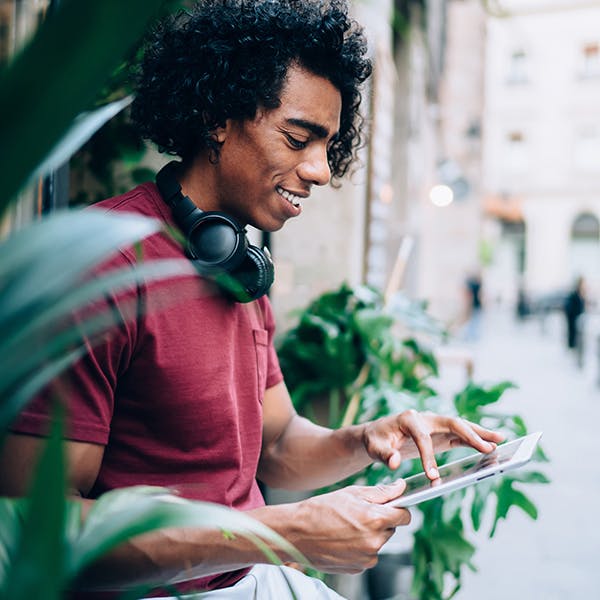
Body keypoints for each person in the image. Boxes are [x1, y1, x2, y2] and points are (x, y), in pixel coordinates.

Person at [0, 1, 505, 598]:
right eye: (298, 138)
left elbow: (279, 446)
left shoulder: (237, 266)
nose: (320, 170)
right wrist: (279, 532)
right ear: (218, 116)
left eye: (328, 146)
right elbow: (37, 530)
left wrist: (371, 438)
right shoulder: (100, 268)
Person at [564, 276, 586, 351]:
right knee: (574, 334)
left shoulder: (582, 293)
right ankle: (573, 347)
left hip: (579, 318)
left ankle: (575, 347)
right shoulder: (574, 294)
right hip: (573, 318)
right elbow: (570, 307)